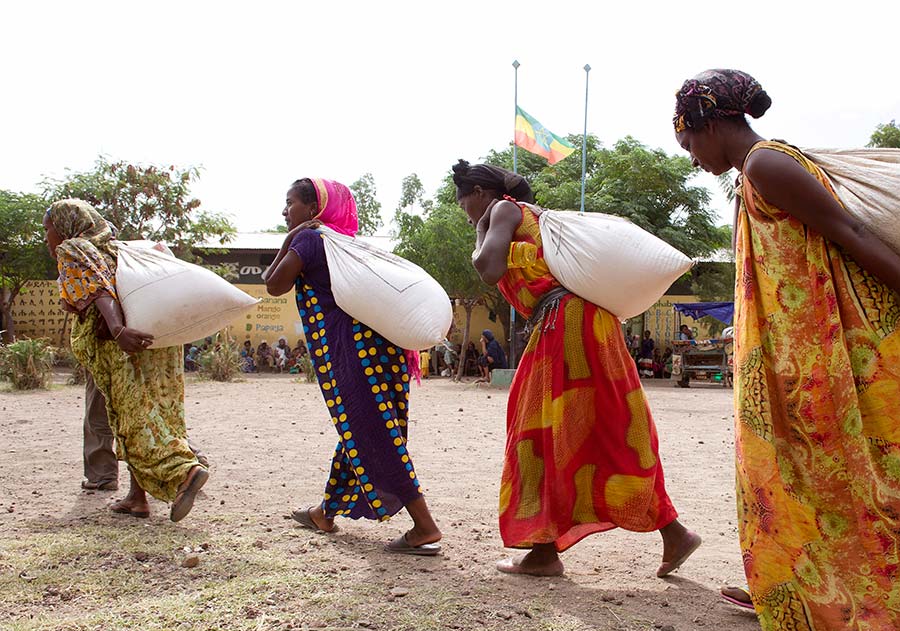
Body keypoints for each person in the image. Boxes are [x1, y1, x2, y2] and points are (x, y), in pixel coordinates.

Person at [673, 69, 900, 631]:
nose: (692, 158)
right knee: (797, 472)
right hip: (807, 354)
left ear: (709, 123)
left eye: (689, 143)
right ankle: (792, 587)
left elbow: (852, 232)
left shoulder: (768, 164)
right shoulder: (756, 171)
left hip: (844, 356)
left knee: (862, 485)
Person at [455, 159, 700, 578]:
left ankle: (545, 552)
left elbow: (489, 267)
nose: (465, 213)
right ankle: (671, 532)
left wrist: (480, 231)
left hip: (563, 325)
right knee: (608, 425)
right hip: (590, 325)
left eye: (464, 204)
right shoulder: (527, 218)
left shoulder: (502, 210)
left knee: (537, 430)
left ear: (478, 193)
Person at [265, 178, 441, 553]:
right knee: (358, 426)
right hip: (381, 352)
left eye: (290, 203)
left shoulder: (311, 240)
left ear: (313, 210)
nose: (285, 211)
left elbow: (273, 284)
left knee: (374, 432)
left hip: (353, 352)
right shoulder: (345, 245)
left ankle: (424, 526)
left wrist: (290, 237)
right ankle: (324, 512)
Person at [44, 199, 209, 522]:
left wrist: (118, 330)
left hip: (121, 347)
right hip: (152, 341)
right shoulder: (117, 249)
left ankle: (185, 471)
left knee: (131, 418)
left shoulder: (74, 248)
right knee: (150, 412)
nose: (47, 237)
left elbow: (99, 290)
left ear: (64, 226)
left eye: (47, 228)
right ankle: (137, 498)